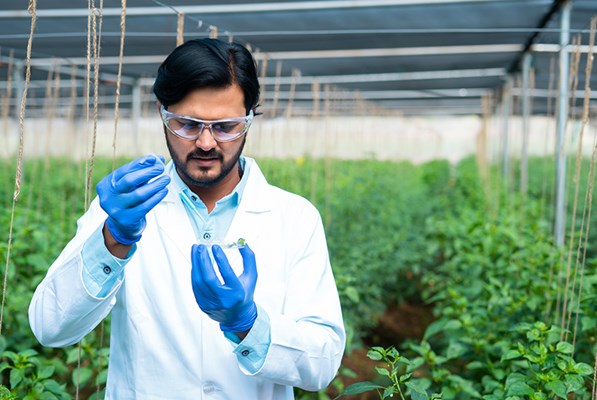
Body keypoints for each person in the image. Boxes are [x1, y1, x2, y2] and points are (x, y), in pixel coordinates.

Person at [28, 38, 345, 399]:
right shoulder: (123, 210)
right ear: (163, 114)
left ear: (250, 119)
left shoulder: (295, 218)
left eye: (226, 126)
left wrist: (248, 324)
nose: (207, 143)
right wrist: (113, 240)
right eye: (188, 124)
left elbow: (324, 361)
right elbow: (49, 327)